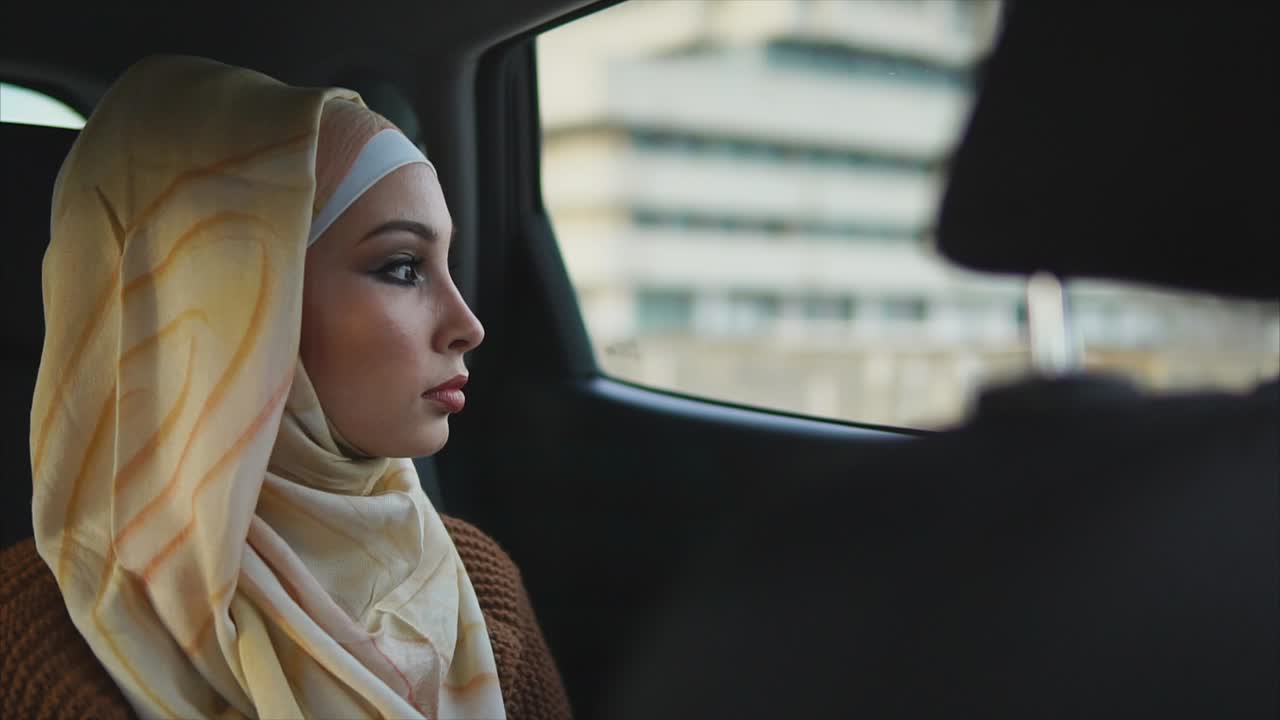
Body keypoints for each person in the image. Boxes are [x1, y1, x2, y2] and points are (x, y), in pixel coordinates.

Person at [0, 55, 570, 719]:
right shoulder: (31, 645)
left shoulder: (480, 582)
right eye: (402, 267)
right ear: (228, 301)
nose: (468, 325)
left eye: (447, 262)